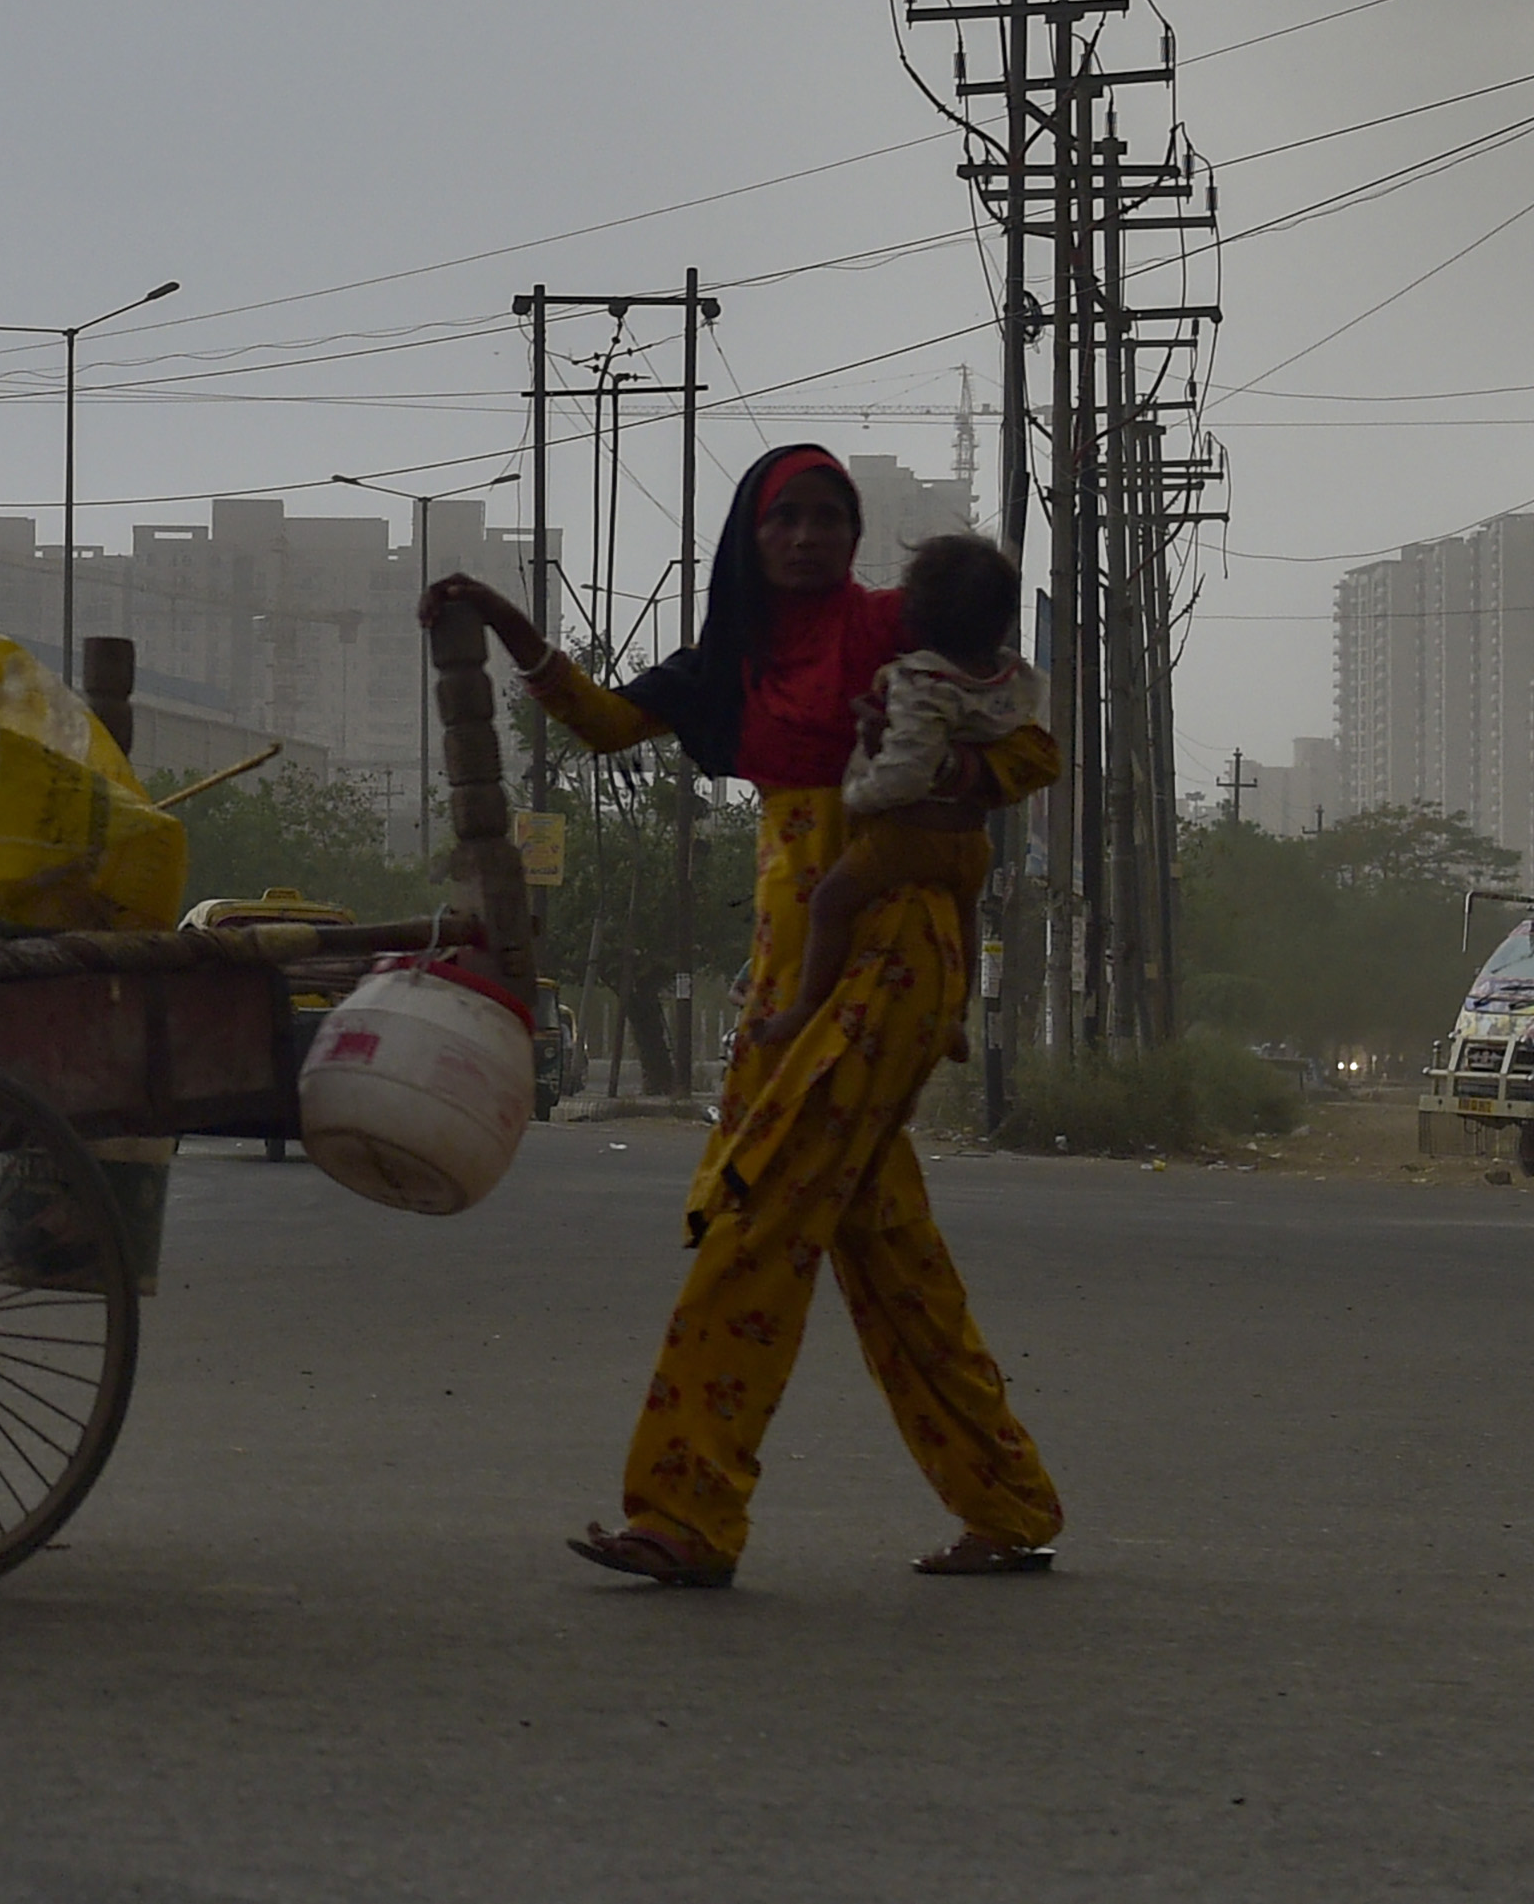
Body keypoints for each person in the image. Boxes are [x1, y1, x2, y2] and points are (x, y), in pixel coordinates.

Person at [422, 444, 1066, 1592]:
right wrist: (514, 627)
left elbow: (1030, 742)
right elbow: (611, 724)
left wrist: (948, 788)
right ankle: (1009, 1504)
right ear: (752, 535)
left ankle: (686, 1512)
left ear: (854, 533)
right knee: (887, 1247)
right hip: (790, 960)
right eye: (788, 518)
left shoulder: (899, 630)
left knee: (759, 1208)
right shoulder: (730, 658)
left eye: (829, 517)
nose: (809, 537)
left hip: (897, 946)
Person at [772, 534, 1033, 1051]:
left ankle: (805, 1006)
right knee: (964, 925)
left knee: (829, 903)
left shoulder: (923, 682)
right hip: (972, 841)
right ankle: (956, 1019)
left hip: (910, 837)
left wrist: (857, 798)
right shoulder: (1012, 681)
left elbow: (907, 771)